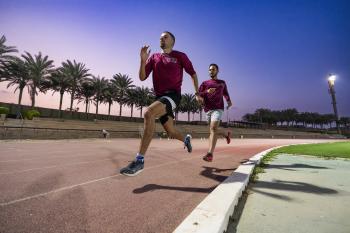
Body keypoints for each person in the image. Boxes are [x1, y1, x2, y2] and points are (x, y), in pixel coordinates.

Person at [120, 31, 201, 176]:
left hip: (173, 96)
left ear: (172, 41)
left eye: (165, 37)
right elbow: (142, 77)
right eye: (160, 38)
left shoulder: (180, 56)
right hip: (160, 98)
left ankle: (139, 160)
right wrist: (143, 61)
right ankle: (186, 139)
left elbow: (193, 74)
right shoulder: (154, 57)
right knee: (170, 132)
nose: (162, 39)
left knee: (148, 113)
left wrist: (196, 93)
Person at [198, 64, 232, 162]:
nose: (211, 71)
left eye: (213, 69)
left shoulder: (222, 83)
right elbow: (199, 94)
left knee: (213, 129)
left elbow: (225, 93)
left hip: (218, 108)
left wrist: (229, 101)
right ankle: (226, 134)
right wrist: (206, 92)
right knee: (213, 130)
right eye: (209, 70)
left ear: (217, 71)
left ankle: (210, 154)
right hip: (208, 109)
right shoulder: (205, 83)